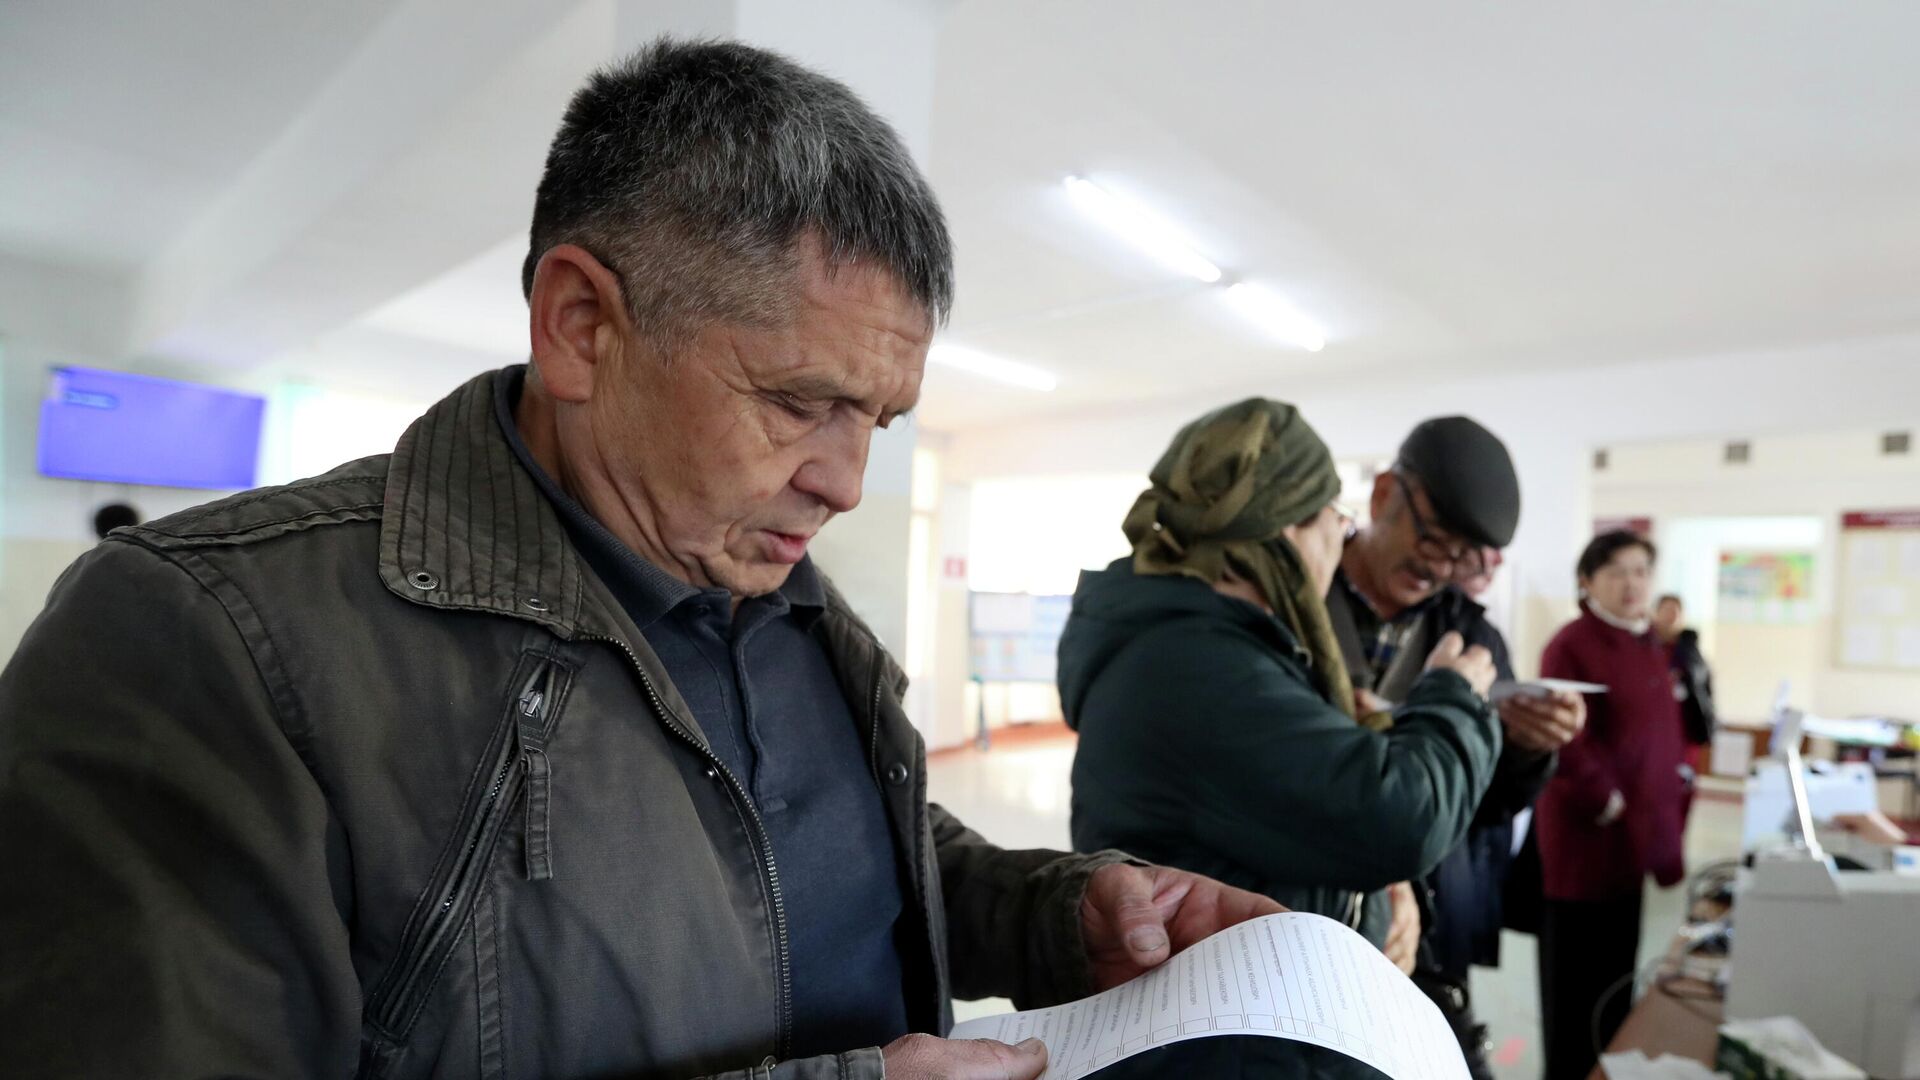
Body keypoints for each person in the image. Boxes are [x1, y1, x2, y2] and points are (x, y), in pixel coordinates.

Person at [0, 40, 1281, 1080]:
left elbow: (834, 862)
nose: (845, 482)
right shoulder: (205, 643)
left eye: (878, 422)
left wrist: (1059, 913)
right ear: (580, 327)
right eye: (799, 401)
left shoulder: (784, 598)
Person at [1060, 398, 1503, 965]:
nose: (1340, 537)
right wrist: (1454, 695)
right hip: (1229, 1003)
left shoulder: (1198, 642)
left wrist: (1380, 891)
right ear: (1292, 523)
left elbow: (1291, 816)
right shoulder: (1199, 663)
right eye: (1335, 517)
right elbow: (1402, 822)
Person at [1324, 418, 1586, 1080]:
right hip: (1299, 908)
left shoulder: (1476, 642)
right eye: (1434, 540)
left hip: (1430, 927)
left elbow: (1488, 806)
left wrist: (1525, 750)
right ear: (1383, 494)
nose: (1439, 568)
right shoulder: (1299, 600)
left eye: (1464, 558)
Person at [1534, 531, 1688, 1080]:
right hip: (1584, 852)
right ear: (1587, 581)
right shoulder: (1571, 644)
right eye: (1618, 572)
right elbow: (1563, 741)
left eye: (1641, 571)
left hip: (1631, 848)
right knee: (1575, 998)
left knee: (1617, 986)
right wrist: (1610, 803)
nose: (1632, 583)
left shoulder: (1646, 641)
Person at [1655, 593, 1716, 823]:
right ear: (1656, 613)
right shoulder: (1646, 648)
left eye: (1676, 611)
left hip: (1685, 735)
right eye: (1667, 610)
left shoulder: (1690, 651)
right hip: (1656, 734)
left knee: (1682, 791)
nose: (1671, 616)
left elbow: (1705, 692)